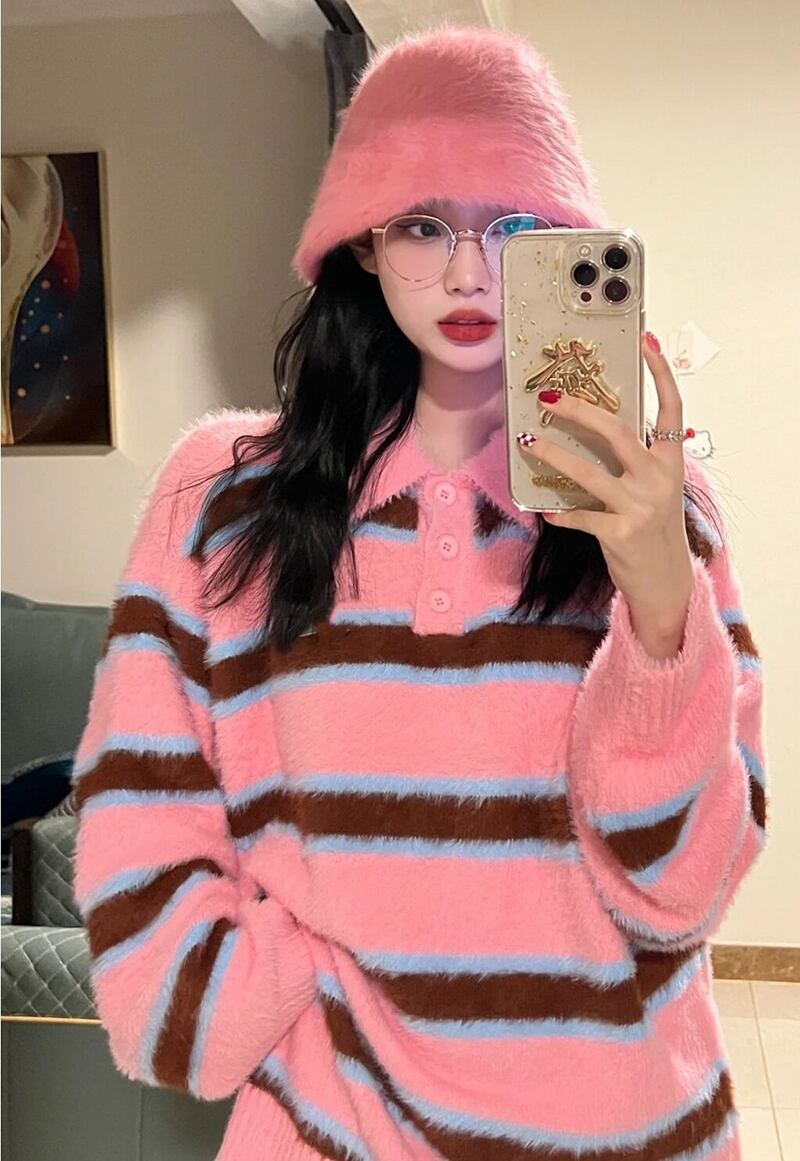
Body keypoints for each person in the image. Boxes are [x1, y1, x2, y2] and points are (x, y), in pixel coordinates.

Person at [71, 24, 767, 1161]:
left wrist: (655, 602)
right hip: (333, 1125)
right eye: (422, 224)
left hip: (626, 1127)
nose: (466, 272)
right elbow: (143, 796)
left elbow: (681, 894)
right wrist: (264, 984)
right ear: (359, 241)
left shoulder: (656, 507)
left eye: (515, 231)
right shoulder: (224, 500)